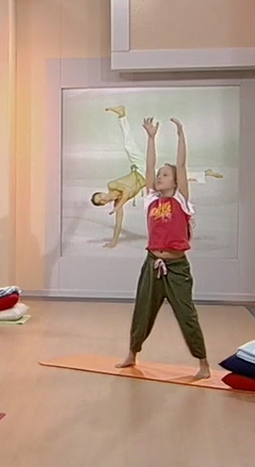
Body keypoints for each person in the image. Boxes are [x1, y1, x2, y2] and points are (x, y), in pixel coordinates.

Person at [115, 117, 211, 380]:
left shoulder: (181, 199)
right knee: (142, 311)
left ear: (176, 182)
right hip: (152, 264)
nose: (159, 177)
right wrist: (150, 138)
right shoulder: (150, 200)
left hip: (176, 267)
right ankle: (132, 354)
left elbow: (181, 164)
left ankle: (203, 363)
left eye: (165, 175)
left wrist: (180, 134)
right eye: (159, 175)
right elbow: (148, 166)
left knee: (186, 315)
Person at [91, 106, 223, 249]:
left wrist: (119, 206)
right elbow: (118, 223)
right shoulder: (118, 203)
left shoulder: (112, 186)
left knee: (129, 147)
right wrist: (114, 242)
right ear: (103, 204)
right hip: (147, 179)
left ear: (102, 192)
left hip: (139, 168)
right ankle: (205, 173)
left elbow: (127, 191)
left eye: (100, 196)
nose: (103, 198)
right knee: (176, 178)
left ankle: (122, 116)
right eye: (101, 201)